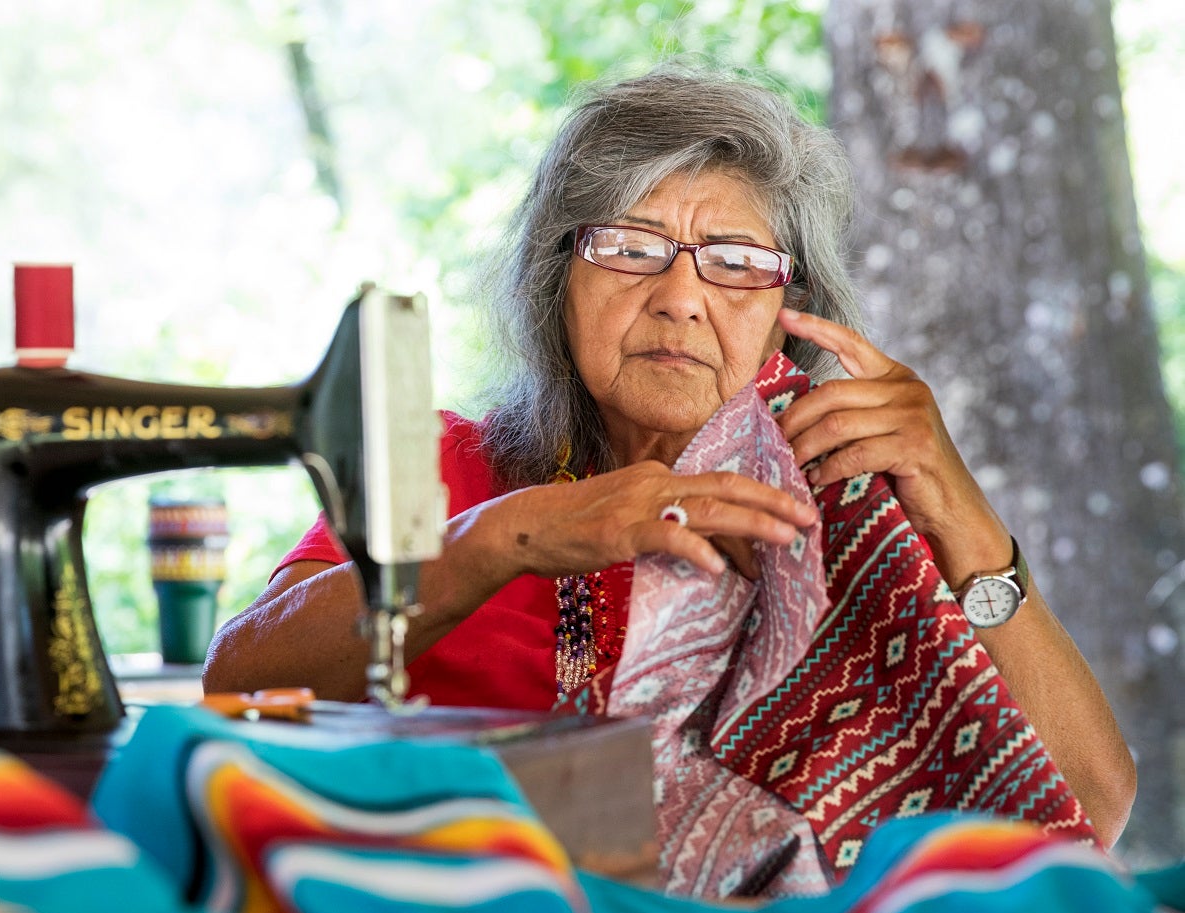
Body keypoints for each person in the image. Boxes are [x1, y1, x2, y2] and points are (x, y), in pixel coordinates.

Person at [202, 62, 1136, 859]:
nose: (680, 297)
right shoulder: (445, 466)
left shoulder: (853, 503)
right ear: (553, 278)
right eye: (631, 248)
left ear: (788, 304)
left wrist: (960, 508)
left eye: (733, 260)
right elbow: (238, 682)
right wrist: (504, 536)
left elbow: (1088, 807)